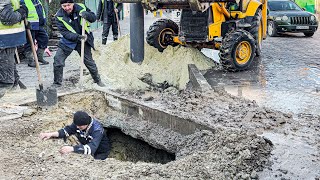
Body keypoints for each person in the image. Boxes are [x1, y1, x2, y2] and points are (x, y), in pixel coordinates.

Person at [53, 0, 105, 87]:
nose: (67, 8)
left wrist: (86, 15)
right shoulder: (59, 16)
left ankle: (97, 80)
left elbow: (93, 18)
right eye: (64, 6)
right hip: (68, 41)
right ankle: (57, 83)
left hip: (84, 40)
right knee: (58, 61)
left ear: (73, 3)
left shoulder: (81, 7)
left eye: (69, 5)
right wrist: (78, 37)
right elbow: (64, 32)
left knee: (89, 62)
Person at [39, 111, 111, 160]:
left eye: (80, 127)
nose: (77, 128)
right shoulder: (78, 124)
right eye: (76, 125)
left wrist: (72, 149)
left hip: (101, 151)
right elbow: (67, 131)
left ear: (86, 124)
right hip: (86, 145)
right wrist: (51, 134)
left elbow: (91, 148)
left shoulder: (97, 130)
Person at [0, 0, 28, 98]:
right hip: (3, 39)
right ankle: (6, 96)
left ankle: (15, 89)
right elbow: (8, 17)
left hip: (6, 39)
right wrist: (21, 13)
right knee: (5, 77)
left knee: (8, 65)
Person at [21, 0, 49, 67]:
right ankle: (30, 60)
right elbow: (21, 13)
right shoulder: (23, 1)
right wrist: (24, 23)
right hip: (30, 25)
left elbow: (41, 11)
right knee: (30, 43)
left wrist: (43, 20)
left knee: (44, 38)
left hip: (38, 24)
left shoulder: (37, 1)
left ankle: (39, 57)